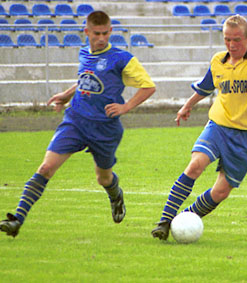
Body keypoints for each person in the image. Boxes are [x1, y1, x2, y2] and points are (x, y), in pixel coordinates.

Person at [0, 10, 156, 238]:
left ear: (111, 31)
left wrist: (125, 107)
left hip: (105, 128)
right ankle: (17, 219)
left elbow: (149, 87)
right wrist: (66, 95)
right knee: (45, 168)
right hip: (75, 121)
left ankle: (115, 194)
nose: (101, 38)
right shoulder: (84, 53)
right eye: (96, 34)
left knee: (103, 178)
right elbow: (86, 78)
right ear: (87, 32)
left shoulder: (122, 59)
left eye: (105, 33)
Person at [151, 14, 247, 240]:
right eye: (227, 40)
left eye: (237, 40)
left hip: (246, 135)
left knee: (221, 191)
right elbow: (205, 87)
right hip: (218, 126)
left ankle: (184, 219)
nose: (232, 45)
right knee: (195, 165)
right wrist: (187, 106)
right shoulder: (218, 61)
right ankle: (164, 221)